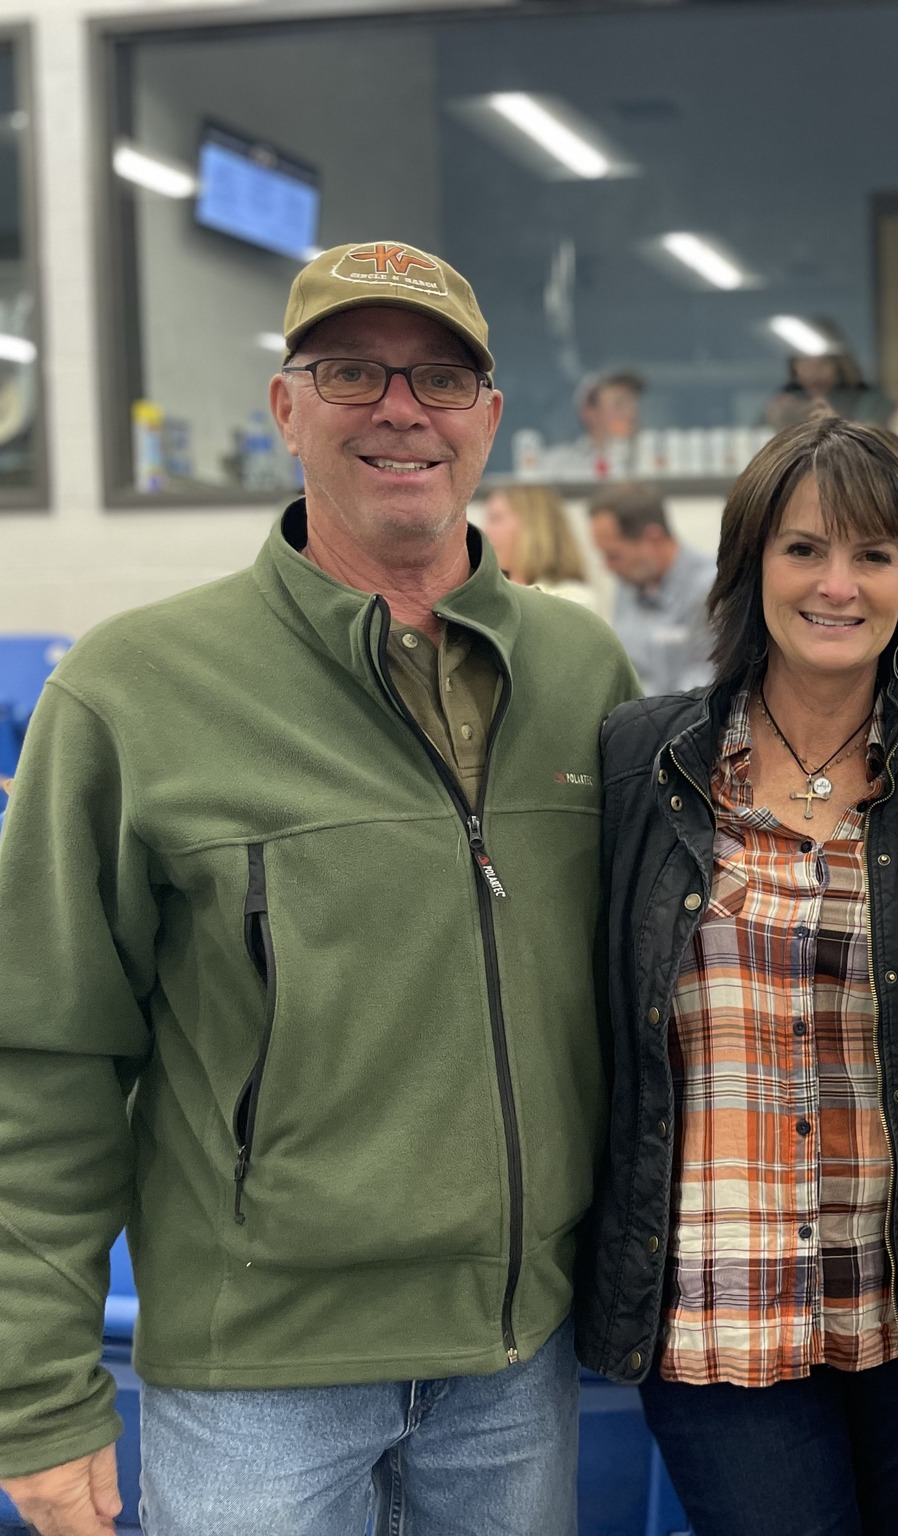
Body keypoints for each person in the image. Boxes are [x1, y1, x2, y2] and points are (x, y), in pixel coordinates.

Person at [0, 240, 640, 1535]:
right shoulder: (135, 693)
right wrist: (34, 1390)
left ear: (490, 421)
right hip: (258, 1380)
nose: (401, 407)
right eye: (353, 369)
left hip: (517, 1365)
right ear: (285, 409)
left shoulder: (584, 675)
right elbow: (44, 1055)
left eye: (442, 377)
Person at [578, 416, 898, 1536]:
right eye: (803, 548)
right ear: (749, 563)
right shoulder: (641, 757)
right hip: (713, 1299)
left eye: (873, 555)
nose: (836, 584)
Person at [588, 482, 718, 695]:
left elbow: (707, 682)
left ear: (654, 539)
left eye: (614, 555)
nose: (607, 567)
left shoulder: (710, 590)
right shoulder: (628, 584)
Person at [482, 483, 600, 611]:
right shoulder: (489, 594)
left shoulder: (574, 600)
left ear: (534, 526)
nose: (486, 531)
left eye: (496, 519)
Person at [761, 344, 893, 432]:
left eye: (823, 363)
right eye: (805, 363)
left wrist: (835, 425)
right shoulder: (785, 400)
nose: (813, 373)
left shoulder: (869, 399)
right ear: (794, 367)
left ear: (839, 365)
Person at [579, 367, 644, 477]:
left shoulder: (653, 460)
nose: (631, 414)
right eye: (619, 404)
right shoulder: (561, 463)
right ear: (590, 412)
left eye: (634, 405)